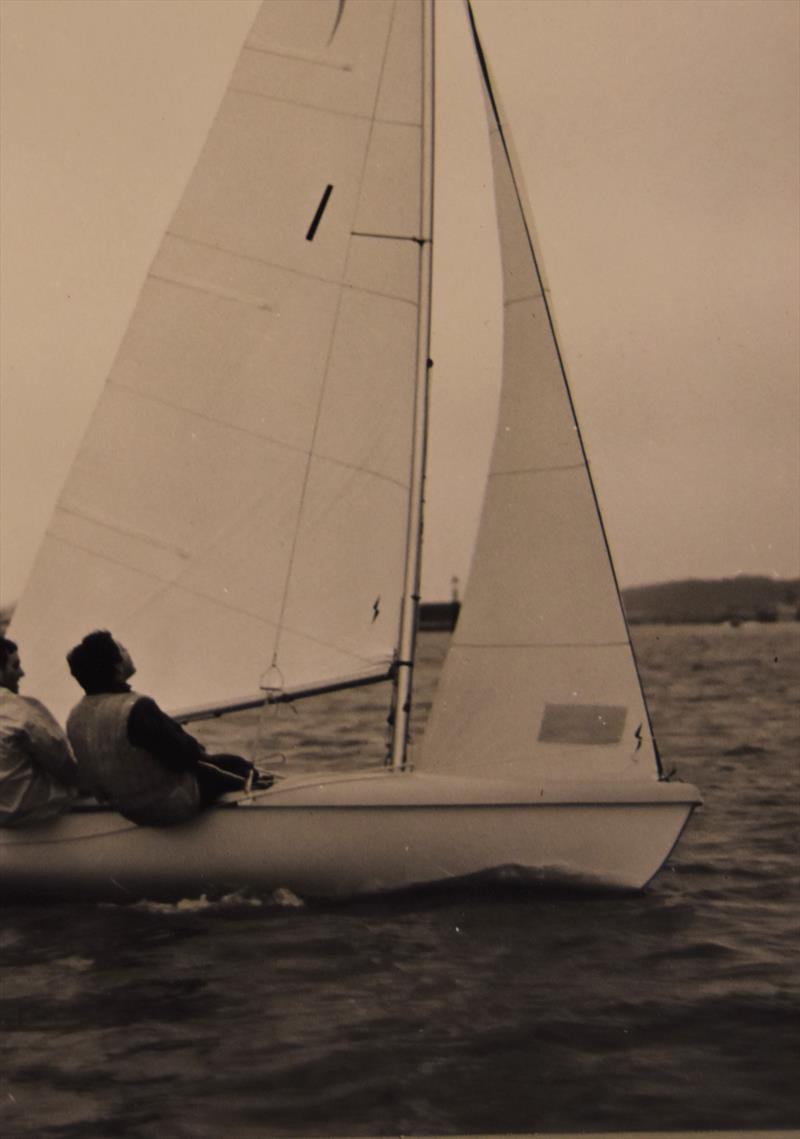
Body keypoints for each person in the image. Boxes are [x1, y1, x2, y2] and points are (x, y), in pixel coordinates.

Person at [65, 630, 268, 826]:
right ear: (117, 667)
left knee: (216, 765)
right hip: (169, 805)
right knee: (237, 766)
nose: (128, 651)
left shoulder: (75, 716)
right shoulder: (136, 708)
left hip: (126, 808)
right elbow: (186, 755)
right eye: (123, 650)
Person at [0, 636, 79, 826]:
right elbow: (64, 764)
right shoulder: (23, 710)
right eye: (15, 665)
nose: (22, 673)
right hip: (28, 812)